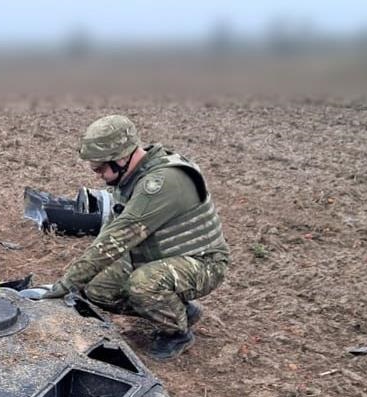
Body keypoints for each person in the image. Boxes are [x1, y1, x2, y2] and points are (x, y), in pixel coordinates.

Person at [42, 115, 230, 360]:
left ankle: (177, 333)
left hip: (204, 263)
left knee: (142, 284)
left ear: (121, 158)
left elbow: (116, 240)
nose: (98, 175)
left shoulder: (162, 183)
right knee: (98, 290)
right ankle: (179, 309)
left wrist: (65, 285)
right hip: (162, 259)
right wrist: (79, 281)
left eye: (100, 168)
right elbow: (109, 232)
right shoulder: (131, 177)